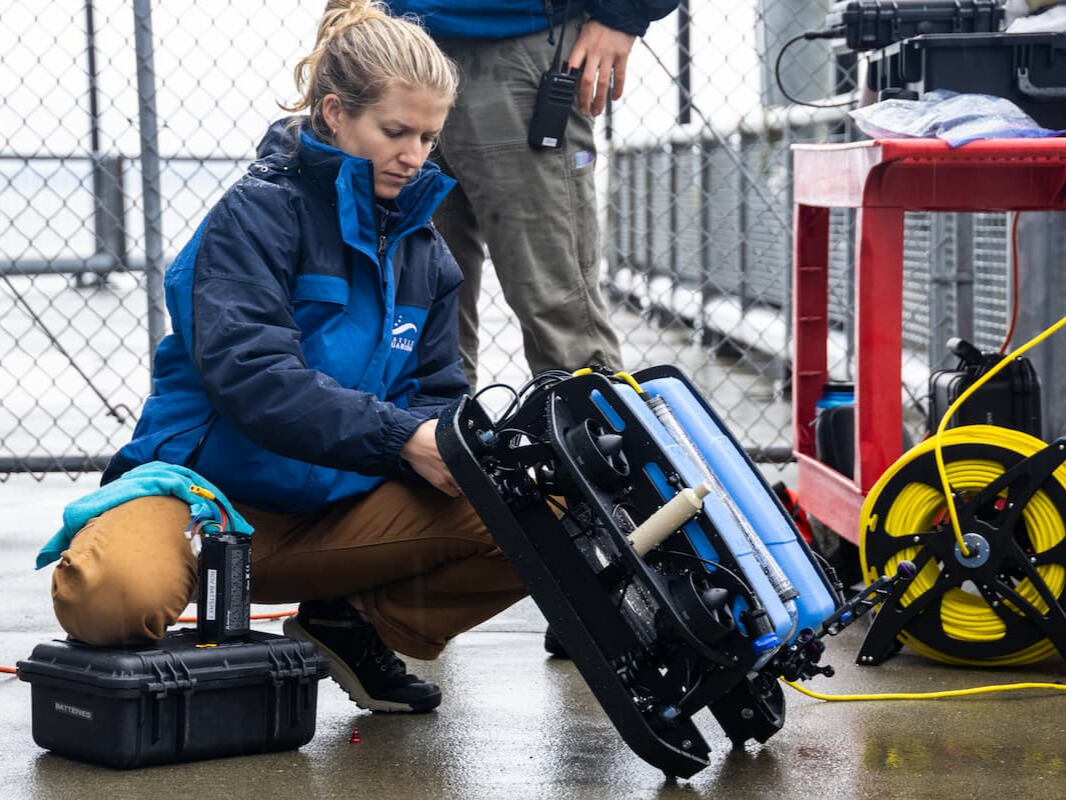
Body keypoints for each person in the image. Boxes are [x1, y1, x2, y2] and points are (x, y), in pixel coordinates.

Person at [37, 0, 526, 714]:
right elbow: (255, 381)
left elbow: (437, 391)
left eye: (428, 136)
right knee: (112, 599)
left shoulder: (428, 255)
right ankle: (170, 641)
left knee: (537, 512)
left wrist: (447, 441)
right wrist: (400, 438)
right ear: (334, 113)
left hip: (337, 515)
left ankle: (352, 625)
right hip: (204, 503)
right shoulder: (256, 215)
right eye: (395, 131)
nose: (415, 156)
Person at [384, 1, 680, 388]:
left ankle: (591, 441)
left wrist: (624, 12)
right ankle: (439, 444)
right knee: (413, 321)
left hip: (515, 41)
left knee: (559, 316)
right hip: (392, 47)